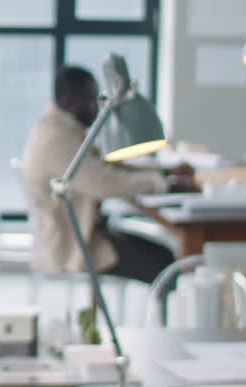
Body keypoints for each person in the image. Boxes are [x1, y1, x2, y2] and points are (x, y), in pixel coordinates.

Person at [18, 65, 176, 286]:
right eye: (90, 99)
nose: (97, 107)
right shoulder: (56, 139)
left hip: (86, 234)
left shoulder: (61, 129)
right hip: (72, 247)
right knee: (163, 262)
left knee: (161, 255)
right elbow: (105, 183)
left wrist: (160, 173)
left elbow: (104, 168)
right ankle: (166, 319)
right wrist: (160, 183)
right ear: (70, 99)